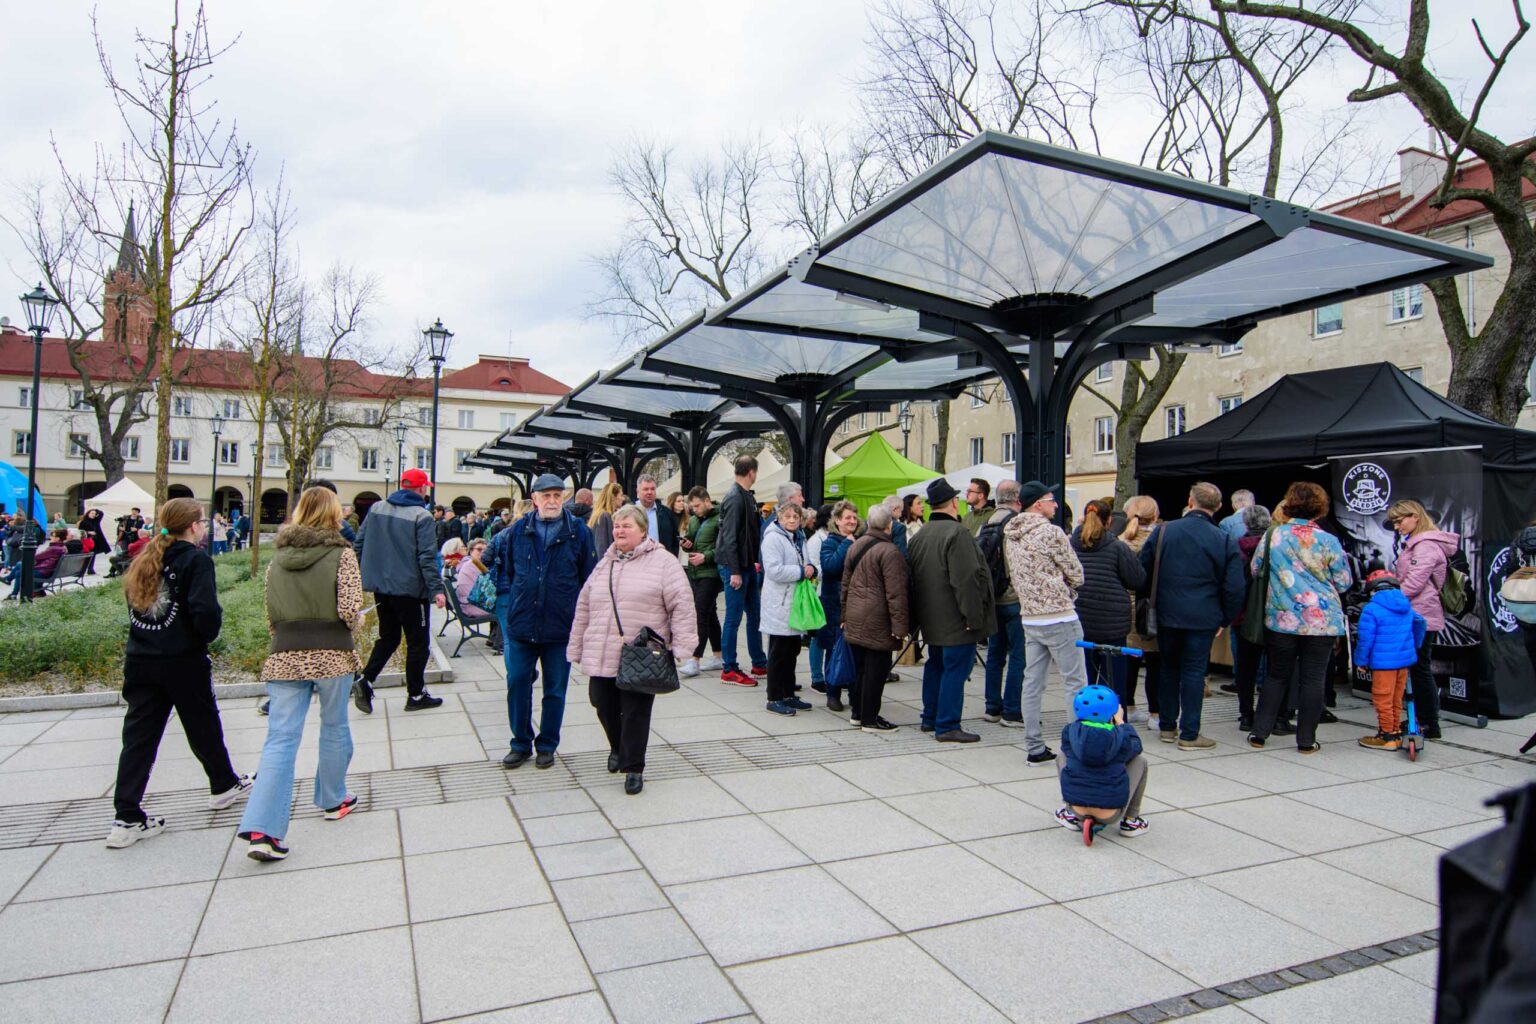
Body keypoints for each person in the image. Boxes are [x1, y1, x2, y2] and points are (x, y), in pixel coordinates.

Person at [106, 497, 250, 848]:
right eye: (201, 521)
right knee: (202, 722)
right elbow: (205, 612)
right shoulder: (195, 560)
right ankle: (222, 784)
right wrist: (201, 637)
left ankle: (126, 816)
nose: (203, 526)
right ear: (194, 527)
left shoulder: (142, 561)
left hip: (141, 660)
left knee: (139, 738)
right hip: (182, 660)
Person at [237, 487, 362, 861]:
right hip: (332, 654)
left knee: (280, 739)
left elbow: (271, 614)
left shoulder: (276, 561)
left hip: (285, 655)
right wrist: (351, 631)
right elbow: (350, 609)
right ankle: (333, 798)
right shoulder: (342, 555)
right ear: (333, 514)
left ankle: (263, 829)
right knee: (335, 726)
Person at [568, 504, 697, 795]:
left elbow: (682, 603)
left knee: (636, 710)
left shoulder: (663, 561)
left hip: (641, 651)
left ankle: (633, 767)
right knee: (600, 701)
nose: (619, 531)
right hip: (603, 647)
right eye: (616, 526)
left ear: (642, 531)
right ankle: (617, 746)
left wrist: (684, 644)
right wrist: (576, 644)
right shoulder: (606, 561)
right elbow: (585, 605)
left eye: (626, 526)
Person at [489, 474, 594, 768]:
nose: (551, 501)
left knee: (555, 689)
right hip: (522, 624)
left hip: (560, 626)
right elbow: (509, 573)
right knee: (517, 682)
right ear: (534, 499)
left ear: (564, 498)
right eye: (545, 495)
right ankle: (520, 742)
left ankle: (547, 743)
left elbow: (588, 579)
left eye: (557, 495)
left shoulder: (579, 533)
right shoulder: (518, 530)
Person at [1247, 481, 1353, 753]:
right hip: (1321, 621)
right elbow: (1343, 582)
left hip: (1282, 617)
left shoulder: (1274, 536)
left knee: (1276, 675)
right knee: (1313, 679)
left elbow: (1256, 569)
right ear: (1320, 508)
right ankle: (1306, 740)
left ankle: (1259, 733)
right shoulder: (1329, 541)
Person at [1139, 482, 1246, 751]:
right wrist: (1225, 618)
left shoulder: (1164, 531)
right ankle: (1189, 733)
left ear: (1190, 501)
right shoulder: (1223, 539)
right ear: (1219, 507)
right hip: (1204, 616)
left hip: (1166, 612)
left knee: (1168, 668)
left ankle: (1166, 726)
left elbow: (1142, 570)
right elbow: (1234, 586)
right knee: (1194, 672)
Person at [1005, 481, 1088, 763]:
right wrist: (1067, 588)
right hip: (1059, 615)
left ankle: (1034, 746)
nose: (1055, 504)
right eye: (1051, 499)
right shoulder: (1051, 532)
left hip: (1030, 616)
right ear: (1038, 504)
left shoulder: (1012, 534)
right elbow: (1076, 573)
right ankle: (1078, 747)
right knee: (1075, 682)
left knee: (1033, 682)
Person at [354, 467, 447, 713]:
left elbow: (359, 544)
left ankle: (366, 679)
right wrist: (437, 589)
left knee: (389, 636)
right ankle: (415, 695)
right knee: (418, 642)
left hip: (382, 588)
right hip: (410, 590)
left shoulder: (376, 508)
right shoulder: (422, 516)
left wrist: (362, 576)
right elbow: (427, 557)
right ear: (421, 489)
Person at [909, 477, 994, 742]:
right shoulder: (957, 533)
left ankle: (930, 718)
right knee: (955, 669)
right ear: (954, 502)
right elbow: (966, 579)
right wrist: (973, 616)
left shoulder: (921, 534)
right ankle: (947, 725)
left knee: (936, 665)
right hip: (956, 617)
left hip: (930, 616)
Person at [1386, 498, 1456, 740]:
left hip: (1421, 614)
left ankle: (1428, 722)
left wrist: (1389, 599)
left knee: (1420, 668)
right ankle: (1424, 718)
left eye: (1399, 520)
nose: (1397, 526)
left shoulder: (1425, 545)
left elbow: (1415, 582)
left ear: (1415, 516)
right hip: (1417, 612)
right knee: (1418, 668)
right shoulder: (1419, 543)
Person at [840, 503, 910, 732]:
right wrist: (900, 627)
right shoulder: (890, 552)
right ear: (890, 525)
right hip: (878, 618)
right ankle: (870, 718)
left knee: (861, 668)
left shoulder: (856, 545)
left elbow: (846, 585)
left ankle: (858, 713)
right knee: (877, 670)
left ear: (868, 522)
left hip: (856, 614)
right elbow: (896, 593)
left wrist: (844, 614)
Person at [1071, 497, 1147, 700]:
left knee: (1083, 678)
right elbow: (1137, 579)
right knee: (1113, 681)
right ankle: (1114, 722)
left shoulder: (1071, 544)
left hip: (1080, 617)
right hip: (1112, 623)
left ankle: (1085, 722)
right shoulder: (1117, 546)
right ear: (1109, 520)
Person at [1053, 684, 1150, 837]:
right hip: (1110, 813)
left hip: (1077, 808)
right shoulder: (1120, 735)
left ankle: (1069, 813)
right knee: (1139, 761)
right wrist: (1121, 723)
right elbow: (1136, 747)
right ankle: (1131, 821)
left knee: (1062, 756)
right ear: (1113, 712)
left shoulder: (1070, 731)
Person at [1354, 569, 1427, 751]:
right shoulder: (1405, 605)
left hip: (1383, 663)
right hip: (1403, 661)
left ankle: (1386, 736)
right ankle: (1394, 731)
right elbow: (1420, 623)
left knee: (1382, 698)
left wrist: (1361, 661)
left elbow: (1365, 639)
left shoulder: (1372, 609)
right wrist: (1413, 646)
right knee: (1396, 698)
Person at [759, 501, 817, 716]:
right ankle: (774, 696)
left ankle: (788, 693)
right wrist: (802, 571)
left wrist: (812, 569)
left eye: (795, 517)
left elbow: (806, 561)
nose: (792, 520)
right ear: (779, 518)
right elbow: (774, 570)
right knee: (778, 652)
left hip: (794, 602)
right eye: (788, 517)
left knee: (791, 650)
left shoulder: (798, 537)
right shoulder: (773, 538)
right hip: (779, 603)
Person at [716, 455, 768, 685]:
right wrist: (736, 571)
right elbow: (729, 538)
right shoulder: (736, 498)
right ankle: (729, 668)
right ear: (752, 473)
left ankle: (759, 662)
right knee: (734, 618)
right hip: (735, 567)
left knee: (754, 616)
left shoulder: (744, 496)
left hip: (745, 566)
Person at [977, 481, 1025, 726]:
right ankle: (1012, 711)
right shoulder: (1015, 522)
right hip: (1013, 597)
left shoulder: (986, 522)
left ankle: (992, 707)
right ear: (1018, 498)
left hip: (992, 598)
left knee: (995, 654)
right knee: (1018, 655)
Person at [1231, 503, 1273, 732]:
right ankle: (1269, 713)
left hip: (1242, 616)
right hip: (1271, 614)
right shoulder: (1274, 546)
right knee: (1272, 669)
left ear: (1245, 523)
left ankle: (1246, 713)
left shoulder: (1236, 547)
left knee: (1245, 667)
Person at [818, 500, 860, 712]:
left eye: (854, 517)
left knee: (855, 650)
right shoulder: (830, 542)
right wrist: (847, 544)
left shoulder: (859, 540)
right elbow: (830, 567)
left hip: (855, 605)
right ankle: (832, 693)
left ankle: (854, 692)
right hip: (834, 606)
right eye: (847, 518)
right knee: (833, 650)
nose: (852, 521)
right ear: (837, 521)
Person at [680, 486, 723, 677]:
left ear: (707, 501)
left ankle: (694, 659)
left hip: (711, 574)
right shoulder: (695, 520)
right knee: (710, 614)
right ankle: (718, 656)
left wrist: (706, 557)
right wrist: (686, 544)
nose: (695, 510)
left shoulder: (720, 518)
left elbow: (724, 546)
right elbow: (691, 542)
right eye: (692, 507)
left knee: (701, 613)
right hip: (696, 572)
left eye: (697, 506)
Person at [804, 503, 833, 692]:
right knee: (817, 637)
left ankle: (830, 674)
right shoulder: (816, 540)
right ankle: (817, 677)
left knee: (830, 636)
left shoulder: (831, 538)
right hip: (820, 593)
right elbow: (815, 569)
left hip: (831, 594)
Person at [458, 537, 502, 653]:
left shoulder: (469, 563)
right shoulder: (474, 565)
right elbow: (492, 586)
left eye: (485, 550)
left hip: (468, 603)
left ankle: (493, 638)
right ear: (471, 551)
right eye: (479, 549)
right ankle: (499, 642)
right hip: (471, 606)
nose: (482, 552)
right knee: (504, 607)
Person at [634, 475, 681, 554]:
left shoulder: (666, 513)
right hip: (637, 560)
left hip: (662, 561)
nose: (649, 492)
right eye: (646, 489)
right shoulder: (629, 512)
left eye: (652, 489)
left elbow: (675, 540)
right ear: (638, 492)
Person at [587, 481, 626, 557]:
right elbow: (601, 547)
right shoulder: (604, 516)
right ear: (613, 497)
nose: (623, 498)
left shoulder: (600, 515)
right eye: (621, 495)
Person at [79, 508, 109, 574]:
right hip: (87, 540)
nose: (93, 515)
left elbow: (101, 513)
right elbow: (80, 531)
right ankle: (83, 570)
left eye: (94, 514)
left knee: (93, 554)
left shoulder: (95, 521)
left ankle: (90, 569)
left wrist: (95, 510)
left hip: (95, 540)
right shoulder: (83, 522)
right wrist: (88, 532)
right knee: (87, 555)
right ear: (88, 514)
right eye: (92, 513)